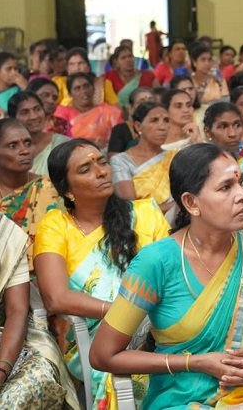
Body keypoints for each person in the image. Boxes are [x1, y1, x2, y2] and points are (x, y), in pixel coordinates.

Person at [88, 143, 243, 409]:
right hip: (180, 399)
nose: (242, 195)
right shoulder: (156, 262)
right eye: (225, 188)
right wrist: (195, 362)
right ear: (191, 203)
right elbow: (102, 355)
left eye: (240, 183)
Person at [34, 139, 170, 408]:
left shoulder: (145, 213)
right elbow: (56, 298)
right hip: (97, 337)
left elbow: (172, 275)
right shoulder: (56, 225)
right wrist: (125, 313)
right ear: (67, 190)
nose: (101, 172)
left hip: (161, 323)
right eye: (85, 169)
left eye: (102, 162)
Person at [0, 214, 79, 408]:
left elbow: (17, 311)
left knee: (37, 379)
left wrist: (2, 370)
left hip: (6, 338)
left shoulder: (6, 235)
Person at [0, 119, 61, 267]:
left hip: (50, 274)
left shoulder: (51, 189)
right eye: (13, 146)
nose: (25, 150)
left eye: (28, 143)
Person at [110, 102, 175, 213]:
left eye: (166, 120)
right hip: (141, 225)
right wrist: (172, 208)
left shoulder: (173, 157)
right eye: (154, 120)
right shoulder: (120, 161)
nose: (162, 127)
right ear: (138, 126)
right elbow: (131, 207)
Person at [54, 73, 123, 149]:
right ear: (70, 94)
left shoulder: (110, 112)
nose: (83, 91)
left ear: (93, 89)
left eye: (86, 86)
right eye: (77, 88)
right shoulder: (61, 113)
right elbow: (58, 142)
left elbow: (120, 140)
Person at [8, 92, 70, 176]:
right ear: (13, 119)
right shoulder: (6, 151)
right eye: (25, 112)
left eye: (37, 109)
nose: (34, 116)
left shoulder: (62, 144)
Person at [204, 102, 243, 183]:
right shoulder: (200, 170)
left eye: (237, 125)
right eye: (223, 126)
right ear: (208, 132)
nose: (232, 134)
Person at [107, 87, 154, 158]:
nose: (147, 105)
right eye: (141, 102)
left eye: (150, 101)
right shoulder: (120, 130)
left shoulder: (164, 125)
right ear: (131, 108)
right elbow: (113, 159)